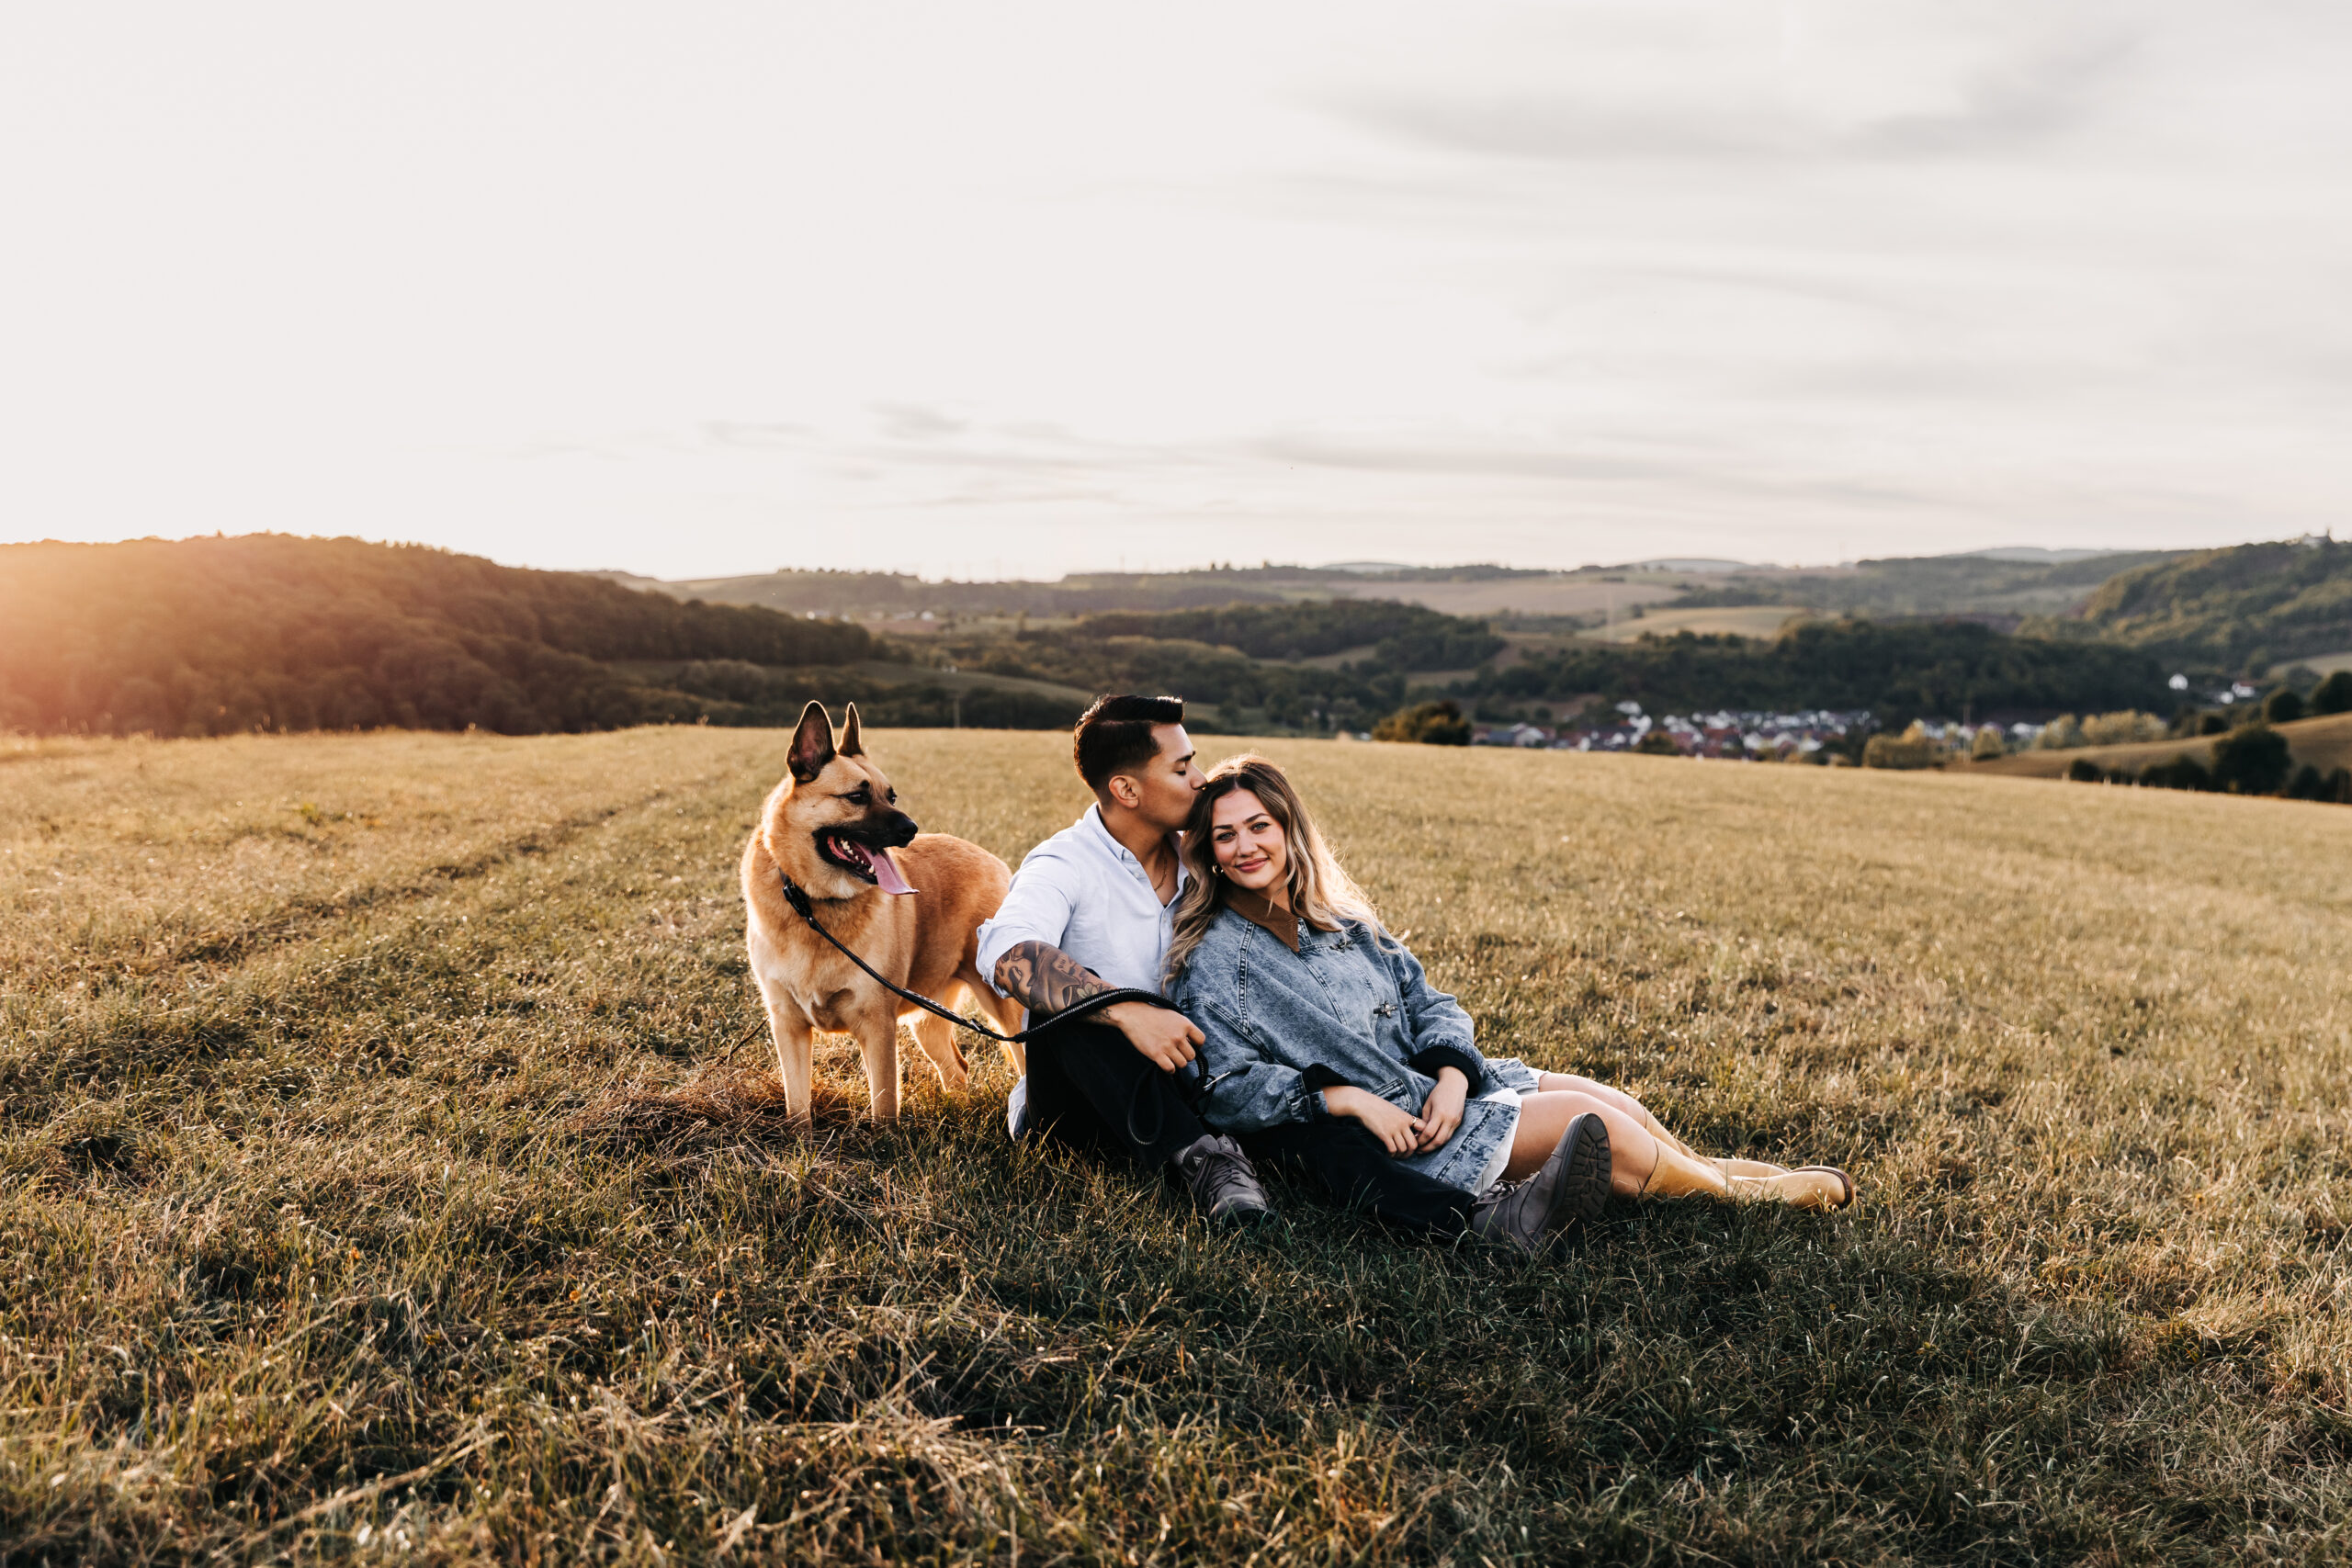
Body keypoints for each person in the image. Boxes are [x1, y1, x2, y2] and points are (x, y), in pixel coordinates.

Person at [1164, 753, 1856, 1241]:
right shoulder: (1216, 958)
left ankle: (1714, 1172)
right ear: (1209, 852)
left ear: (1288, 828)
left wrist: (1453, 1076)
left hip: (1445, 1093)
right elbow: (1226, 1085)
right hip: (1409, 1135)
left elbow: (1432, 1002)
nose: (1246, 845)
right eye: (1226, 834)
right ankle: (1737, 1200)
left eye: (1260, 825)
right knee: (1594, 1122)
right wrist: (1343, 1098)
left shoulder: (1340, 921)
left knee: (1612, 1100)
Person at [975, 694, 1272, 1224]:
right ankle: (1208, 1165)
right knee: (1064, 1004)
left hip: (1191, 1077)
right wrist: (1125, 1009)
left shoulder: (1208, 855)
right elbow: (1008, 951)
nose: (1201, 779)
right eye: (1182, 768)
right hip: (1078, 1112)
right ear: (1127, 789)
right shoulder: (1063, 861)